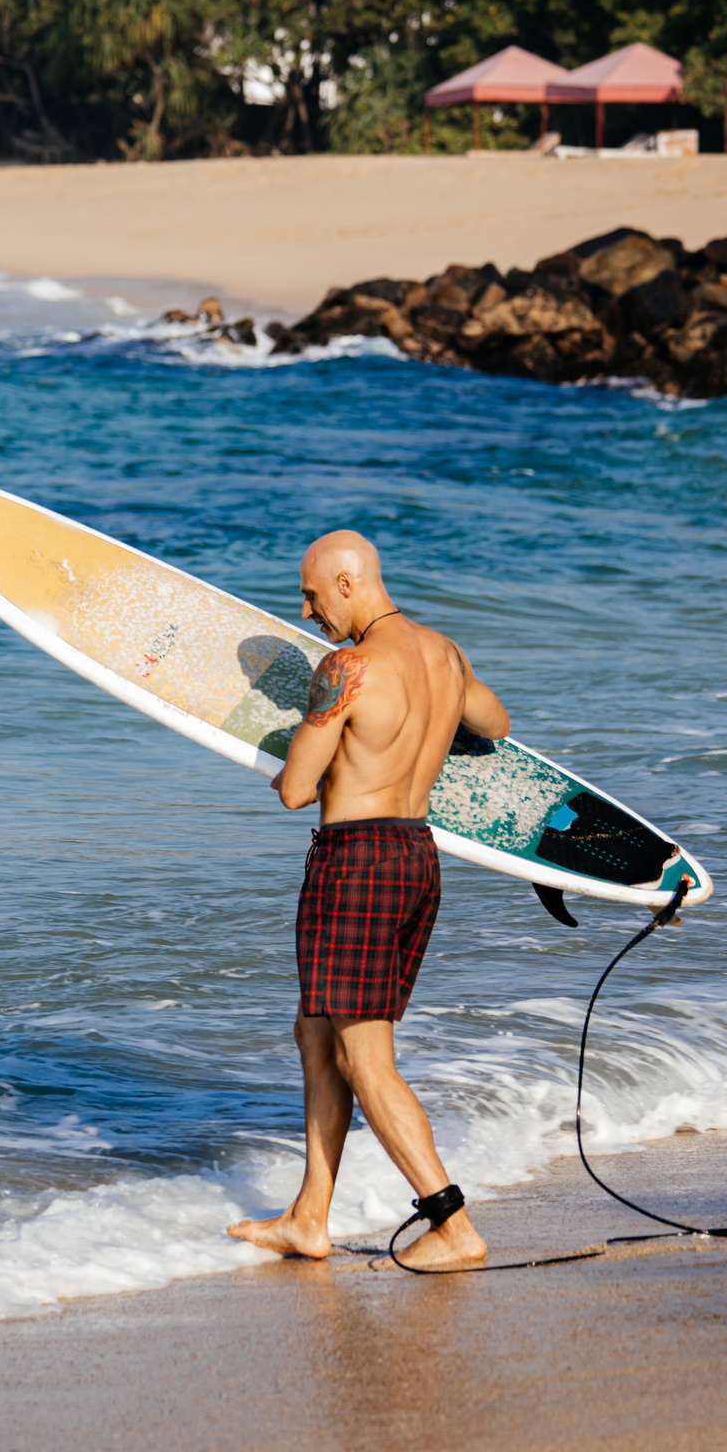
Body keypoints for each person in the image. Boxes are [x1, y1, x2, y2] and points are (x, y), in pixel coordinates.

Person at [226, 530, 510, 1272]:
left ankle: (450, 1220)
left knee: (364, 1057)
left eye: (313, 595)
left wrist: (300, 737)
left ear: (349, 584)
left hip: (354, 862)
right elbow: (495, 723)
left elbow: (294, 790)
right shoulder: (445, 654)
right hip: (416, 854)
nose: (307, 609)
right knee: (316, 1031)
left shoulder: (346, 668)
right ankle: (308, 1216)